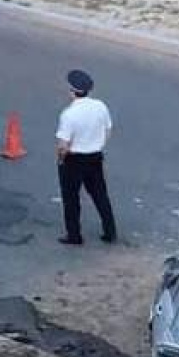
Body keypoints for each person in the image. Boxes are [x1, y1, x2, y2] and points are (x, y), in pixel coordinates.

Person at [55, 69, 116, 245]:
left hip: (74, 160)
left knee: (71, 198)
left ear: (72, 91)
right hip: (95, 157)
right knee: (100, 195)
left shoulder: (69, 114)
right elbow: (108, 130)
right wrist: (97, 145)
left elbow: (63, 144)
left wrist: (61, 158)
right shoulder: (100, 106)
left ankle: (74, 235)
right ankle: (110, 231)